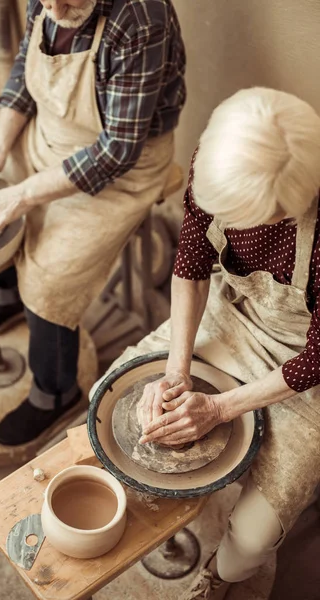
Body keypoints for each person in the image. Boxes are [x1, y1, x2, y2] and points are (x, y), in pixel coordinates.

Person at [0, 0, 186, 446]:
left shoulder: (140, 15)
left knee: (51, 279)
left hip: (121, 165)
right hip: (50, 131)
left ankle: (55, 393)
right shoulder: (51, 2)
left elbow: (117, 151)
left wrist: (25, 194)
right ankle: (10, 296)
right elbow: (23, 70)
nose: (51, 7)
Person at [135, 87, 320, 599]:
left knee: (253, 536)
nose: (231, 229)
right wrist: (176, 370)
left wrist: (218, 408)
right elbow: (192, 267)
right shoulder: (219, 162)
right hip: (234, 309)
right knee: (118, 393)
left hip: (303, 357)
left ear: (289, 206)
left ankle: (222, 573)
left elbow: (316, 359)